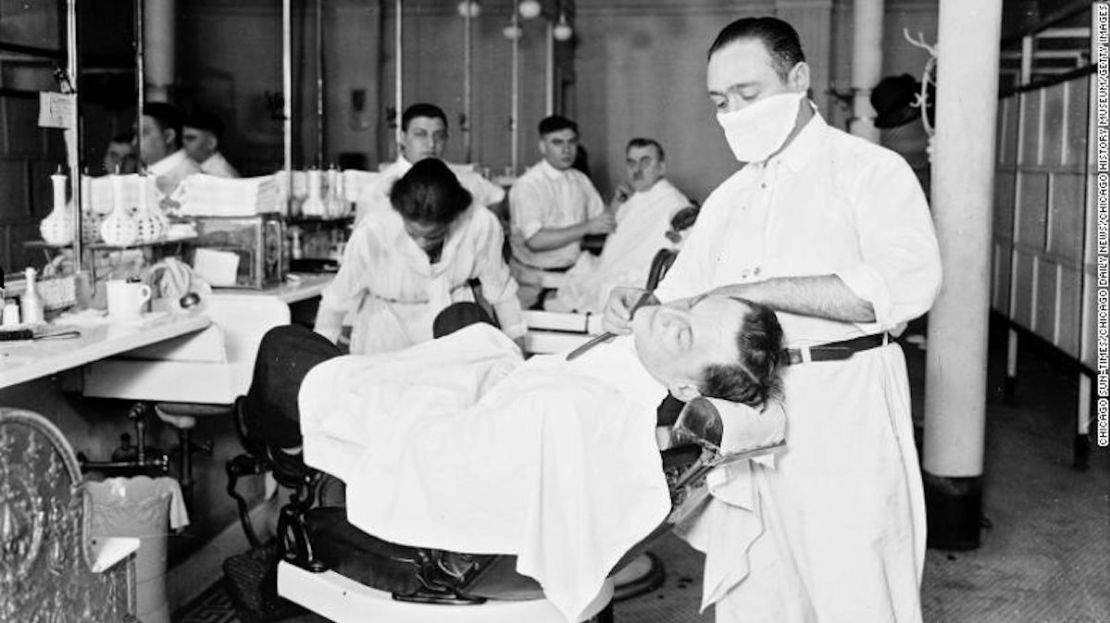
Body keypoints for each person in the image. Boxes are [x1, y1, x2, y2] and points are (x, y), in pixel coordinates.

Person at [604, 16, 942, 623]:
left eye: (748, 95)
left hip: (843, 403)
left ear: (799, 78)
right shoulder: (732, 198)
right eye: (719, 102)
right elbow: (677, 298)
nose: (733, 112)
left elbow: (896, 289)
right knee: (759, 589)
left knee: (855, 586)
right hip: (748, 419)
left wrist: (753, 289)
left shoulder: (868, 172)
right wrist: (637, 303)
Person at [253, 292, 784, 622]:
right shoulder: (641, 384)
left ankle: (288, 451)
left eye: (685, 330)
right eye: (690, 305)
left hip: (455, 447)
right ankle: (299, 431)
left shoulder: (579, 412)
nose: (670, 313)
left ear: (689, 387)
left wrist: (420, 391)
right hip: (503, 406)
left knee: (286, 349)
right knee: (463, 319)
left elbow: (445, 455)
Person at [314, 158, 525, 355]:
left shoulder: (479, 224)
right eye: (413, 233)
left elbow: (501, 292)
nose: (422, 243)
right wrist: (319, 364)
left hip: (454, 328)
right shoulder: (374, 231)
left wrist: (517, 346)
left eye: (433, 236)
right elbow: (335, 302)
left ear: (453, 219)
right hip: (386, 333)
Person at [546, 137, 692, 313]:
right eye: (631, 163)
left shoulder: (674, 203)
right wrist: (617, 204)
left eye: (645, 162)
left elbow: (677, 252)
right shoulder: (634, 197)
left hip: (639, 281)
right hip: (608, 270)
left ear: (661, 167)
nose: (637, 169)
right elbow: (614, 239)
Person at [508, 115, 614, 308]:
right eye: (557, 143)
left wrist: (621, 205)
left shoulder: (580, 180)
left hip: (571, 274)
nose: (566, 150)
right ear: (542, 146)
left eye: (571, 142)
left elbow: (601, 223)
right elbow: (535, 241)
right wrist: (587, 227)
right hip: (534, 282)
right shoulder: (528, 185)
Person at [355, 103, 505, 223]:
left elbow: (498, 199)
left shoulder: (465, 178)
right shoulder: (378, 188)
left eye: (439, 136)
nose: (431, 144)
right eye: (421, 135)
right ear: (402, 137)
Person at [136, 101, 203, 199]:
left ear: (168, 136)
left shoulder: (191, 180)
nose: (134, 142)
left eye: (144, 133)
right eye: (135, 134)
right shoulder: (151, 173)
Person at [182, 110, 240, 178]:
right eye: (182, 138)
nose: (183, 142)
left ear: (211, 143)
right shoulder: (192, 167)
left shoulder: (223, 176)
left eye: (190, 138)